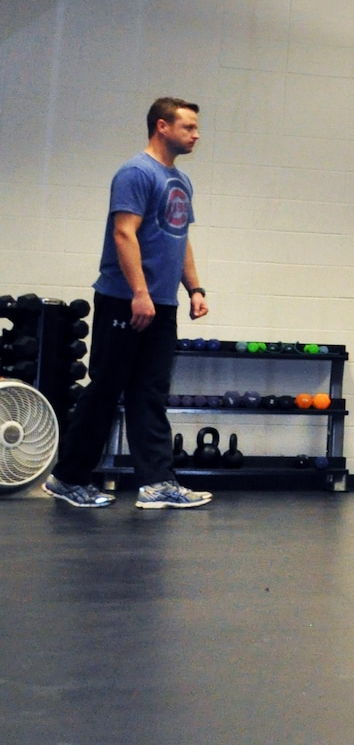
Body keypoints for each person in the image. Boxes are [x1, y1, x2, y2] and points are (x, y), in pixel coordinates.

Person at [46, 97, 213, 509]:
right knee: (105, 389)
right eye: (188, 127)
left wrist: (194, 288)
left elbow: (180, 237)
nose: (196, 135)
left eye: (196, 128)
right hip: (126, 299)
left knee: (150, 393)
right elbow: (124, 234)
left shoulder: (180, 181)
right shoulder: (136, 173)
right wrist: (139, 292)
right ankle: (68, 478)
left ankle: (157, 483)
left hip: (161, 304)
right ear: (162, 126)